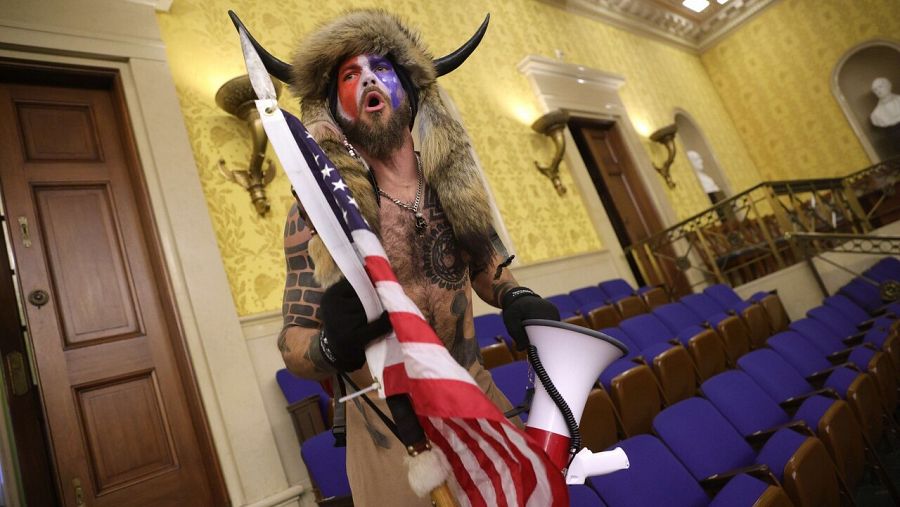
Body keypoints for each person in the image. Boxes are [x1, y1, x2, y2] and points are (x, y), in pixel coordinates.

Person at [264, 10, 560, 506]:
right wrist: (332, 347)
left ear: (410, 88)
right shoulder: (317, 214)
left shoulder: (452, 186)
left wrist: (518, 296)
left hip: (478, 405)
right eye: (349, 75)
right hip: (391, 440)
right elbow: (293, 344)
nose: (367, 80)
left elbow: (490, 269)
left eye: (380, 68)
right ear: (334, 106)